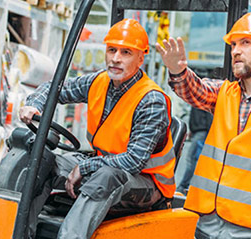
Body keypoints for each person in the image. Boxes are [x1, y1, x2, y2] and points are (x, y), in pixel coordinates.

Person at [19, 18, 176, 239]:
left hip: (146, 184)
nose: (115, 58)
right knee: (40, 160)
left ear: (141, 57)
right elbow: (53, 89)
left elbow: (133, 161)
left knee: (105, 177)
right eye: (112, 50)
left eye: (125, 53)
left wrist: (85, 168)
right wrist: (34, 104)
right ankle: (19, 233)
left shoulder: (150, 100)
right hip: (104, 165)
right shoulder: (98, 82)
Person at [156, 12, 251, 239]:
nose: (235, 50)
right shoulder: (223, 93)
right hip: (204, 222)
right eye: (234, 44)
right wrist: (178, 70)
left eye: (245, 43)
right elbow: (193, 89)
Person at [176, 107, 212, 195]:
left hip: (201, 132)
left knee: (191, 159)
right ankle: (186, 186)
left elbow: (209, 117)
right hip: (199, 131)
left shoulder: (204, 100)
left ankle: (184, 186)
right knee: (193, 159)